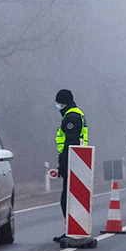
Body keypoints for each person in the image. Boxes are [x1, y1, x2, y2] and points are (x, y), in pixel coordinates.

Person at [54, 88, 88, 228]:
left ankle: (72, 227)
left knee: (67, 199)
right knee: (71, 198)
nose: (57, 106)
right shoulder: (75, 114)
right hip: (78, 159)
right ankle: (72, 227)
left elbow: (70, 141)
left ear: (64, 103)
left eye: (58, 103)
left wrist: (64, 162)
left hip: (73, 160)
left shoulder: (71, 117)